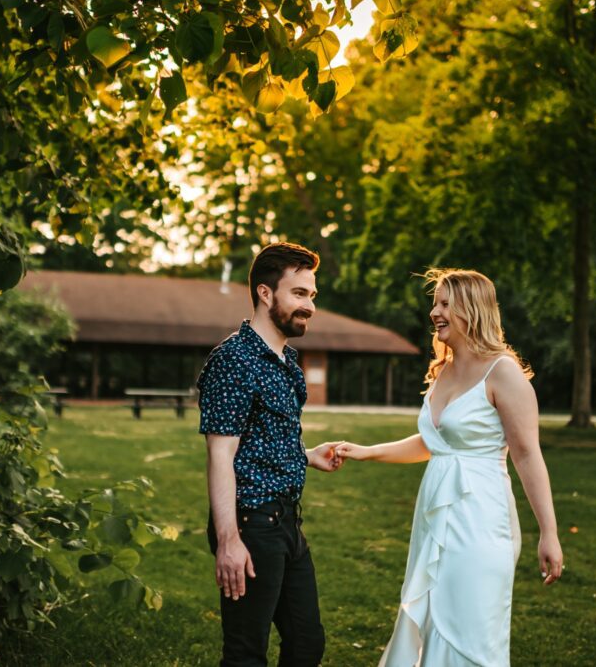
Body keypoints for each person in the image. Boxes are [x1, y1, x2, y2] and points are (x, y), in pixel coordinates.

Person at [335, 268, 563, 667]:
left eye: (444, 304)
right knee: (430, 622)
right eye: (434, 303)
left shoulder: (503, 372)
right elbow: (433, 444)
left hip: (481, 521)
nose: (434, 313)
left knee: (471, 630)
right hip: (435, 519)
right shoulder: (443, 371)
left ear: (472, 309)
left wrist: (549, 533)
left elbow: (527, 455)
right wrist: (366, 452)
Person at [197, 242, 341, 667]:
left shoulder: (286, 361)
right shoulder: (234, 359)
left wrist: (306, 455)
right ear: (265, 293)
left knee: (307, 644)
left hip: (287, 523)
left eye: (311, 295)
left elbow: (264, 438)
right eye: (299, 293)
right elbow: (221, 456)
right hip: (251, 525)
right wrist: (229, 541)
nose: (309, 305)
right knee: (246, 653)